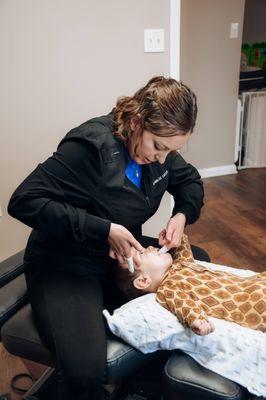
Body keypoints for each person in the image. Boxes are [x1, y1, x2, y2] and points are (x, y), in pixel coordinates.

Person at [8, 76, 208, 400]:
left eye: (171, 151)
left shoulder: (161, 149)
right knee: (85, 370)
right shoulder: (90, 148)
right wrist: (103, 229)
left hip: (117, 257)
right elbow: (23, 201)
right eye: (158, 146)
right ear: (136, 122)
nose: (162, 158)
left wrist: (181, 215)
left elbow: (190, 183)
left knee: (198, 262)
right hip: (65, 261)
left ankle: (141, 386)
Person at [117, 234, 266, 336]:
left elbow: (181, 243)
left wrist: (172, 236)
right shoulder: (168, 288)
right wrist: (197, 320)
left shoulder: (181, 263)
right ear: (144, 281)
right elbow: (183, 304)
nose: (149, 247)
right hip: (251, 303)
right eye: (143, 253)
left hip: (253, 284)